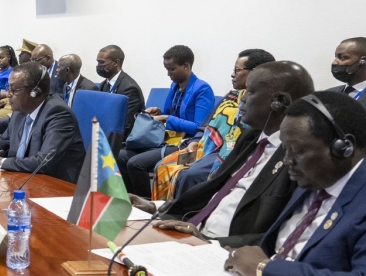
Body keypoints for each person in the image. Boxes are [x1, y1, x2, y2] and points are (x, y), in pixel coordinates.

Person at [137, 61, 313, 248]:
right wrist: (156, 207)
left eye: (250, 92)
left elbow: (280, 234)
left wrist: (212, 243)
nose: (242, 99)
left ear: (279, 102)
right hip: (192, 232)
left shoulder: (299, 160)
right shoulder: (251, 138)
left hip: (226, 250)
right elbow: (214, 190)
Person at [223, 91, 366, 276]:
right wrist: (214, 244)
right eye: (285, 149)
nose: (287, 160)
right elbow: (279, 243)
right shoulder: (314, 178)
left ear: (344, 147)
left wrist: (266, 270)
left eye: (298, 151)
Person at [151, 49, 274, 200]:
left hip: (228, 153)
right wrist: (196, 141)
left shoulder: (262, 106)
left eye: (237, 70)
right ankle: (159, 208)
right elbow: (206, 124)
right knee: (163, 165)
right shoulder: (231, 96)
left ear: (255, 73)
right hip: (206, 146)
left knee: (189, 175)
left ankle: (180, 211)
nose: (232, 74)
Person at [0, 62, 86, 183]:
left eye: (14, 90)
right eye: (8, 88)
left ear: (35, 92)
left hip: (55, 186)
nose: (8, 94)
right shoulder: (20, 111)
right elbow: (0, 144)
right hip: (22, 180)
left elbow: (43, 162)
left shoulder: (58, 114)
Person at [117, 44, 216, 196]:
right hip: (167, 139)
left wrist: (167, 118)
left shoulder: (202, 89)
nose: (168, 73)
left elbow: (200, 127)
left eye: (172, 69)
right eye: (167, 69)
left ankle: (147, 203)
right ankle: (131, 199)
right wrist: (159, 112)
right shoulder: (175, 86)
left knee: (136, 163)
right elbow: (172, 114)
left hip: (187, 143)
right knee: (121, 156)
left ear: (186, 66)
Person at [95, 44, 145, 136]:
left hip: (123, 138)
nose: (98, 66)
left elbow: (126, 124)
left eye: (102, 62)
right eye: (98, 62)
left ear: (115, 62)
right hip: (105, 133)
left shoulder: (130, 88)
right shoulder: (103, 85)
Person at [329, 36, 366, 106]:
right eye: (336, 57)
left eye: (342, 57)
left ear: (363, 61)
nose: (334, 62)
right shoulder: (329, 95)